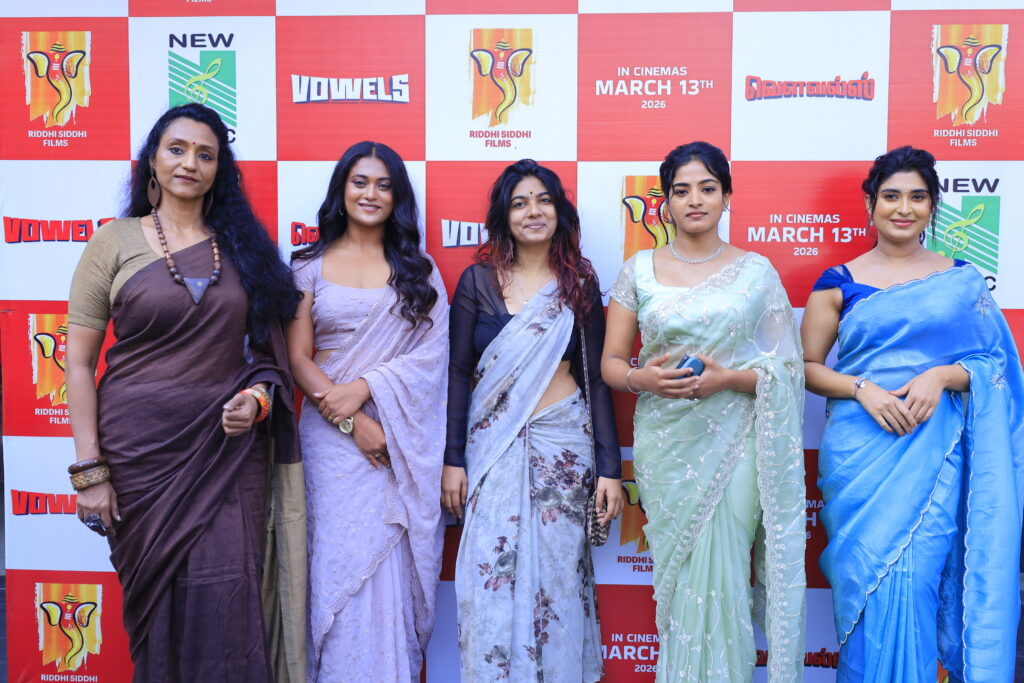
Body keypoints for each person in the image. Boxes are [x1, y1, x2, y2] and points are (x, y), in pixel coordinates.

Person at [65, 103, 305, 682]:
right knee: (157, 607)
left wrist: (257, 402)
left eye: (205, 154)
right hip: (138, 458)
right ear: (152, 159)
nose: (189, 163)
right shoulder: (113, 242)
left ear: (220, 169)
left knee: (229, 598)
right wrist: (90, 471)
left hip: (225, 456)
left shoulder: (244, 250)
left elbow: (269, 357)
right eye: (176, 149)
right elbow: (77, 362)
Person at [801, 145, 1024, 682]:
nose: (904, 208)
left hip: (934, 454)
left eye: (918, 197)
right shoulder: (838, 282)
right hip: (861, 456)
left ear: (933, 206)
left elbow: (999, 369)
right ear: (870, 204)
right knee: (864, 591)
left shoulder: (963, 282)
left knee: (918, 582)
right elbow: (804, 367)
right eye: (892, 196)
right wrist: (863, 390)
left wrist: (943, 375)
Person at [602, 141, 806, 682]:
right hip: (666, 445)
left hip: (736, 440)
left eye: (708, 188)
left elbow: (787, 370)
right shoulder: (638, 270)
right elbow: (611, 363)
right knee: (682, 584)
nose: (695, 200)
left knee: (725, 575)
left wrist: (729, 380)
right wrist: (641, 379)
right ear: (666, 201)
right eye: (682, 190)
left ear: (727, 196)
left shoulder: (756, 273)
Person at [442, 159, 623, 682]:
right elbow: (458, 373)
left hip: (563, 454)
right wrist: (453, 459)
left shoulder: (578, 283)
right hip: (492, 452)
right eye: (519, 203)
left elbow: (596, 380)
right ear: (504, 216)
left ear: (559, 211)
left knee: (558, 586)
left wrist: (610, 469)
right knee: (489, 580)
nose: (533, 211)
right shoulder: (477, 282)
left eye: (543, 200)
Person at [287, 141, 449, 683]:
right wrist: (351, 418)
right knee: (338, 564)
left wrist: (366, 386)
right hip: (329, 439)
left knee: (387, 567)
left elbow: (432, 359)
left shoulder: (419, 271)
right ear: (342, 189)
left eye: (384, 184)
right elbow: (296, 357)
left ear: (397, 196)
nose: (371, 193)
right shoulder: (307, 266)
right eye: (360, 182)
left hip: (398, 438)